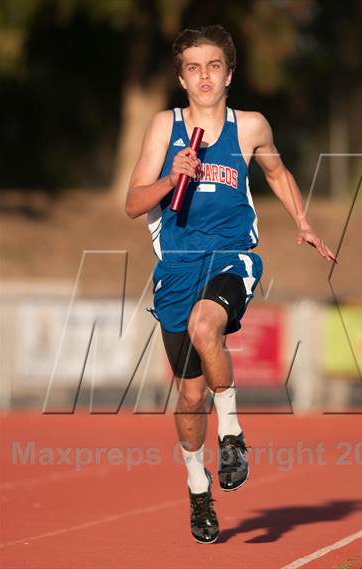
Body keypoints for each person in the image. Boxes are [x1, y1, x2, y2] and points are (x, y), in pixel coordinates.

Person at [125, 25, 336, 544]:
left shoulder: (250, 127)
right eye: (193, 67)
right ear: (180, 77)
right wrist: (172, 177)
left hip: (231, 255)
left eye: (214, 66)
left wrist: (302, 222)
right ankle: (199, 487)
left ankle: (234, 433)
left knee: (206, 324)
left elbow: (278, 173)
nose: (204, 76)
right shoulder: (164, 126)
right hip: (176, 266)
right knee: (189, 396)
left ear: (229, 74)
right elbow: (133, 203)